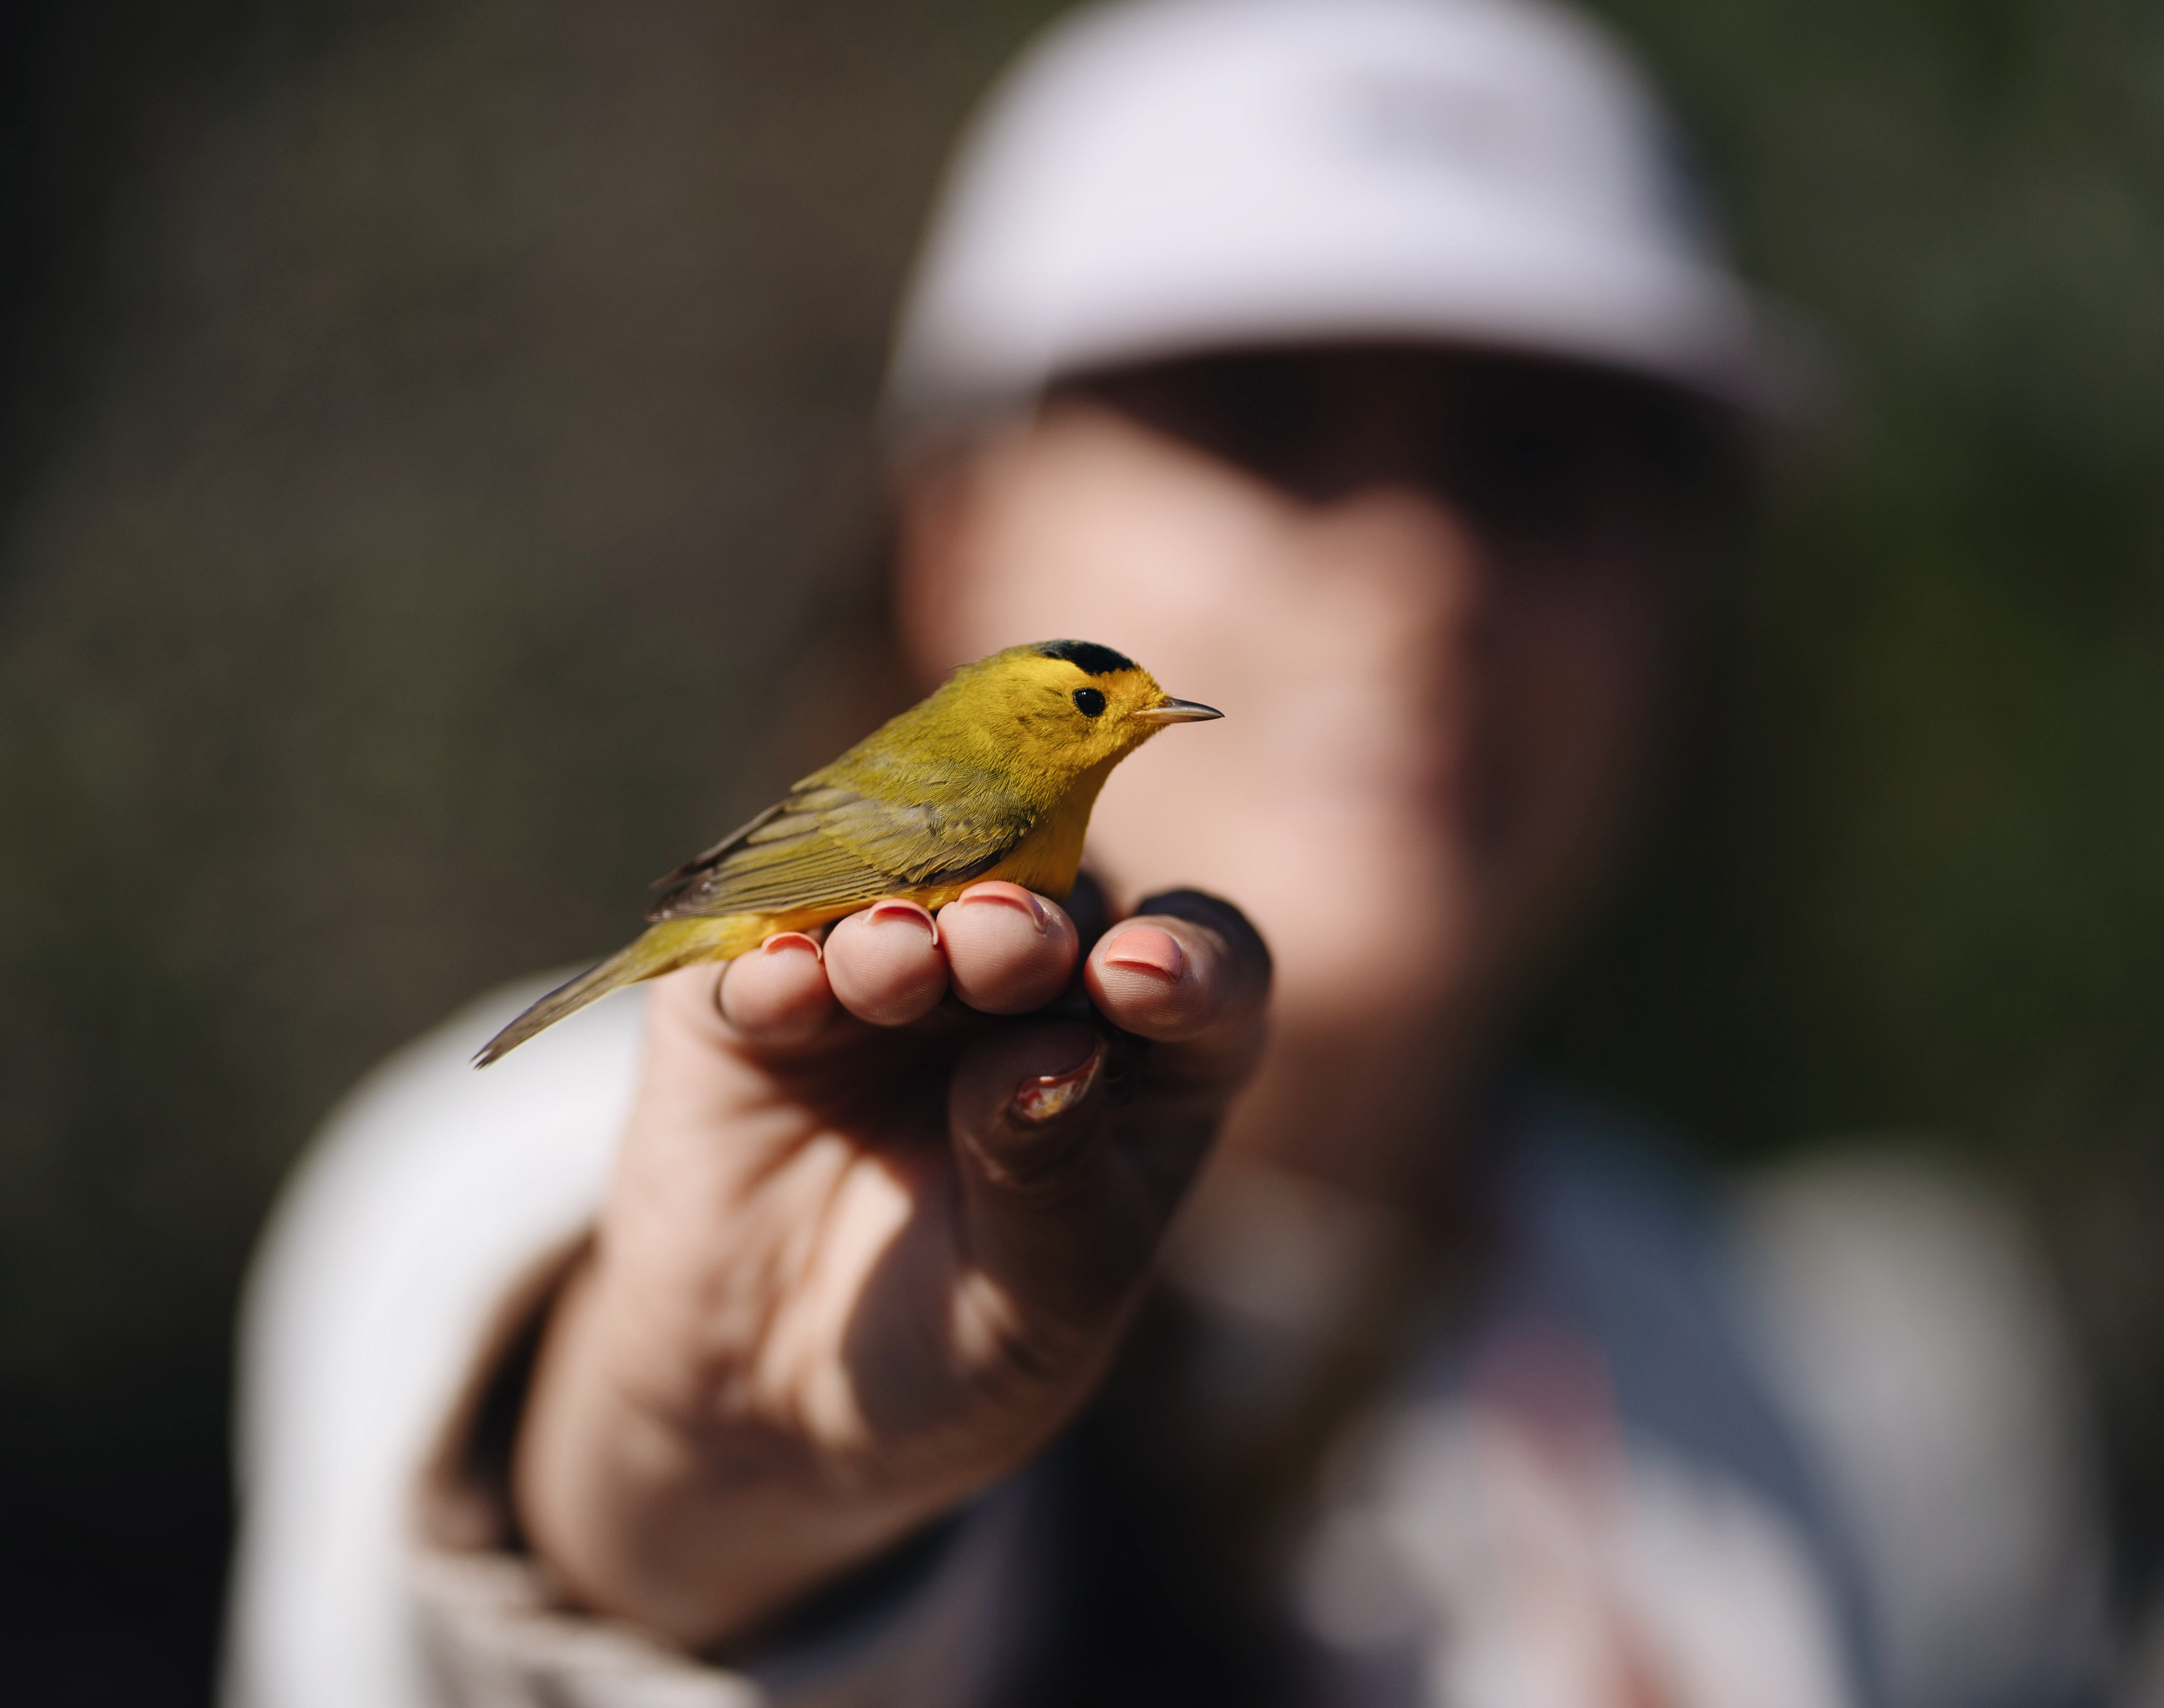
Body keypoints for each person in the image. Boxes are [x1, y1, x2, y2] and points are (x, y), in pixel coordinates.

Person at [223, 3, 2113, 1705]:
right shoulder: (596, 1151)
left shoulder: (1735, 1352)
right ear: (956, 537)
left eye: (1543, 459)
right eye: (1264, 421)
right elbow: (532, 1519)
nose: (1419, 577)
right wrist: (701, 1498)